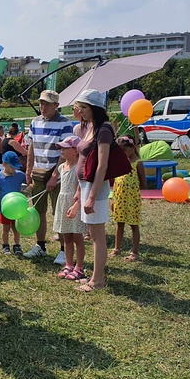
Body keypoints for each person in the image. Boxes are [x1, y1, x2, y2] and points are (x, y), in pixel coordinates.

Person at [23, 90, 74, 263]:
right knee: (38, 211)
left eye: (47, 104)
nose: (43, 107)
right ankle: (40, 245)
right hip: (38, 171)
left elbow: (64, 152)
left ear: (56, 106)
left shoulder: (65, 124)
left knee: (59, 212)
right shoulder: (35, 122)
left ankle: (63, 249)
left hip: (57, 174)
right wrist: (28, 170)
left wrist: (55, 175)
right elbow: (31, 147)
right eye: (41, 103)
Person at [73, 89, 113, 293]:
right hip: (86, 185)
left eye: (84, 107)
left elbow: (102, 166)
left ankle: (98, 280)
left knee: (97, 235)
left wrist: (92, 196)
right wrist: (81, 193)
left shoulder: (104, 130)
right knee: (92, 233)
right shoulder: (89, 127)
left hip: (95, 187)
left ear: (95, 108)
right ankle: (95, 275)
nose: (80, 110)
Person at [52, 135, 88, 280]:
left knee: (77, 237)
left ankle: (79, 267)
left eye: (65, 148)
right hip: (63, 203)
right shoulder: (61, 167)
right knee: (66, 237)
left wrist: (76, 205)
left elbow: (81, 188)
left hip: (74, 205)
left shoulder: (79, 168)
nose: (61, 150)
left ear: (75, 151)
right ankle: (68, 264)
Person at [110, 135, 147, 263]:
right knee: (119, 224)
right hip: (120, 198)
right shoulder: (120, 162)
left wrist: (133, 190)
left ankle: (135, 252)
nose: (122, 154)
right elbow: (115, 182)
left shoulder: (137, 163)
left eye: (124, 150)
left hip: (132, 200)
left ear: (132, 148)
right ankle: (117, 248)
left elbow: (143, 182)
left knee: (133, 225)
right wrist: (114, 199)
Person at [0, 151, 26, 256]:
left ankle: (17, 245)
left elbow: (29, 181)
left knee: (16, 228)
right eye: (11, 167)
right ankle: (5, 245)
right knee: (5, 228)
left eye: (15, 167)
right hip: (5, 209)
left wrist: (30, 186)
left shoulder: (20, 175)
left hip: (17, 208)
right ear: (4, 164)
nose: (13, 169)